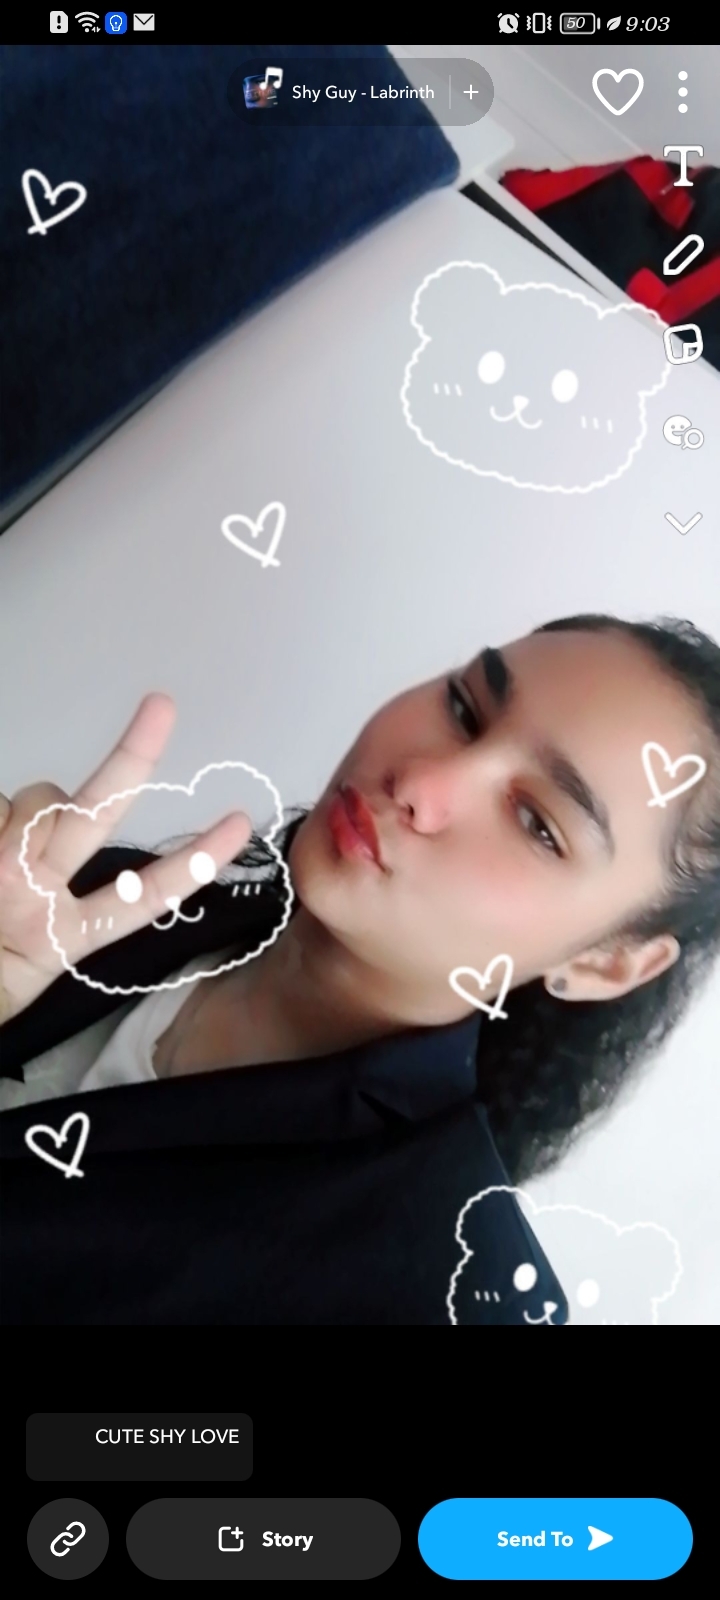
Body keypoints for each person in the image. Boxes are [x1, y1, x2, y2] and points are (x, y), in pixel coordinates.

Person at [1, 612, 718, 1325]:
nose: (422, 782)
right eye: (464, 708)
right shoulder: (97, 905)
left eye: (538, 824)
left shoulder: (448, 1296)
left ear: (606, 963)